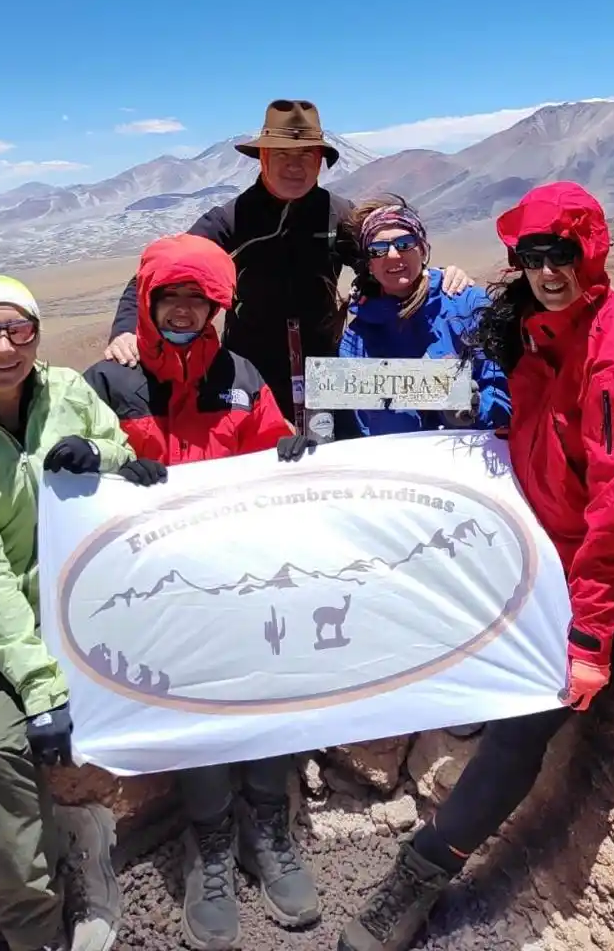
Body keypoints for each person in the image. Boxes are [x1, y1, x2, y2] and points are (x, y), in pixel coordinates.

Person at [338, 181, 614, 951]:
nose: (548, 271)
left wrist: (587, 645)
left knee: (527, 711)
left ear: (593, 253)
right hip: (561, 543)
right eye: (531, 257)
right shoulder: (531, 325)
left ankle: (417, 878)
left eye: (563, 255)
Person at [0, 275, 165, 951]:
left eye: (20, 329)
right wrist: (43, 693)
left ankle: (35, 929)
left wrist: (96, 455)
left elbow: (128, 458)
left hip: (65, 614)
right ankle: (64, 841)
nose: (5, 346)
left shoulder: (69, 393)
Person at [84, 234, 318, 951]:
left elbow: (270, 449)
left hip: (241, 584)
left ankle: (266, 829)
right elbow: (73, 461)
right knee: (191, 701)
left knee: (268, 687)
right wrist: (88, 465)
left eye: (199, 300)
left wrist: (290, 452)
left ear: (217, 307)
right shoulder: (106, 382)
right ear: (148, 303)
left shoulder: (242, 376)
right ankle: (209, 844)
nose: (185, 310)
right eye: (171, 298)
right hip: (158, 598)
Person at [103, 99, 470, 425]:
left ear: (320, 163)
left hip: (328, 363)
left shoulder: (339, 215)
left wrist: (440, 280)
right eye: (283, 155)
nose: (295, 167)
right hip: (248, 369)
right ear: (262, 159)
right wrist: (124, 330)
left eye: (306, 157)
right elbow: (160, 272)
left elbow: (389, 263)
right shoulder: (232, 219)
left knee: (337, 457)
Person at [337, 195, 510, 437]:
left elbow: (504, 392)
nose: (394, 255)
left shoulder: (468, 306)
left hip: (472, 459)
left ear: (423, 249)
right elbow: (366, 428)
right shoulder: (356, 341)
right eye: (378, 249)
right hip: (403, 465)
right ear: (369, 265)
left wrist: (474, 410)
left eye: (405, 243)